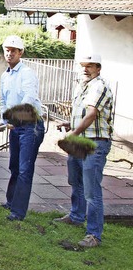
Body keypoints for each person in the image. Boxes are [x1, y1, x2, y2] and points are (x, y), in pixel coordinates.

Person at [53, 54, 113, 248]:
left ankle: (94, 235)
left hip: (94, 143)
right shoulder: (83, 86)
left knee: (91, 191)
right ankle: (76, 216)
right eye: (84, 66)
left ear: (99, 68)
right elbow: (81, 115)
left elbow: (91, 113)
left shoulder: (99, 86)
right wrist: (69, 124)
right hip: (80, 141)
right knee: (75, 180)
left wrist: (73, 133)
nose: (86, 69)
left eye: (90, 66)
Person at [0, 35, 45, 221]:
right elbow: (3, 101)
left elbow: (29, 98)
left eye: (13, 51)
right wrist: (2, 120)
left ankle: (18, 212)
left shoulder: (27, 73)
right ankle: (10, 202)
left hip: (31, 126)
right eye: (7, 50)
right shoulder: (5, 75)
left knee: (25, 169)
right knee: (14, 166)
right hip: (15, 126)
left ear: (20, 53)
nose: (9, 54)